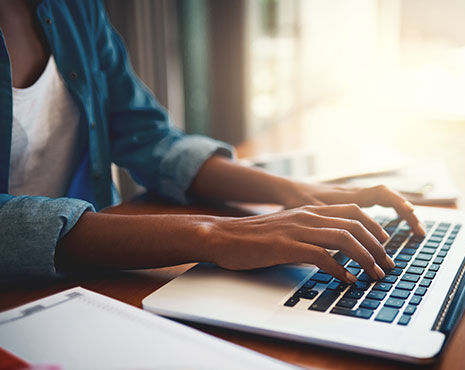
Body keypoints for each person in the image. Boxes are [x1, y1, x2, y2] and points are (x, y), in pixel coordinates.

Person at [0, 0, 425, 283]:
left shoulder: (75, 8)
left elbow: (148, 136)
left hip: (100, 274)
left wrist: (293, 192)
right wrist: (216, 235)